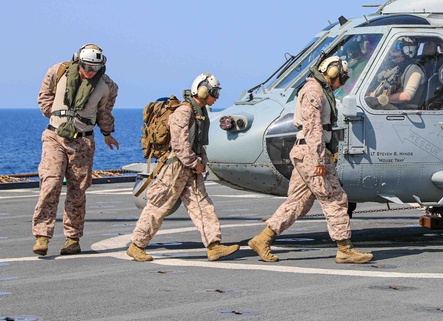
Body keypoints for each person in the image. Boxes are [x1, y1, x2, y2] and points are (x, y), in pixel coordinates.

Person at [248, 56, 373, 264]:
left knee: (298, 203)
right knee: (335, 198)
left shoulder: (318, 90)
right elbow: (313, 128)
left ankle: (262, 239)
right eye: (340, 78)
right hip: (312, 153)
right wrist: (319, 161)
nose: (340, 83)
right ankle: (345, 248)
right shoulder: (314, 91)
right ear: (332, 73)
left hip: (307, 152)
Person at [126, 73, 240, 262]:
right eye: (214, 93)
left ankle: (214, 245)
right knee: (158, 206)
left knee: (202, 205)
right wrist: (196, 164)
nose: (216, 97)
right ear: (203, 91)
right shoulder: (184, 111)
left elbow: (197, 143)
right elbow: (180, 146)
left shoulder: (201, 112)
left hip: (190, 167)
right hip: (175, 168)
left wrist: (201, 162)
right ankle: (136, 245)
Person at [32, 44, 119, 257]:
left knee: (77, 191)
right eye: (87, 67)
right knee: (51, 182)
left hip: (83, 142)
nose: (90, 72)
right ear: (78, 62)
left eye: (94, 68)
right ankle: (42, 235)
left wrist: (107, 133)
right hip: (55, 137)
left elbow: (105, 112)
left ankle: (73, 239)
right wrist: (57, 118)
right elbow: (44, 97)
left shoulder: (108, 86)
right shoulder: (57, 71)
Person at [366, 36, 423, 109]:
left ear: (407, 50)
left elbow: (407, 96)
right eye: (391, 48)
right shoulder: (395, 68)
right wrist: (369, 95)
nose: (391, 52)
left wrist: (384, 99)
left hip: (403, 112)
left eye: (396, 47)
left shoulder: (414, 69)